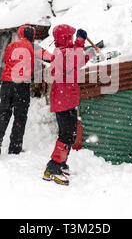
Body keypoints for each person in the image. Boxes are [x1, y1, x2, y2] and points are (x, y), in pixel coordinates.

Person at [42, 25, 90, 186]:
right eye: (70, 36)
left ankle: (60, 163)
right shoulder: (65, 53)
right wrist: (81, 41)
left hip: (64, 99)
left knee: (68, 132)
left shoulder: (61, 52)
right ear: (65, 38)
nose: (71, 38)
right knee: (67, 135)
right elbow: (80, 58)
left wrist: (79, 45)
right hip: (65, 99)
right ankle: (53, 166)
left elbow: (78, 60)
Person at [0, 25, 35, 155]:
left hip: (8, 84)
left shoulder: (11, 45)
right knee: (20, 116)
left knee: (4, 112)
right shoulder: (33, 47)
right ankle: (15, 147)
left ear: (20, 33)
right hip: (22, 85)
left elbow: (4, 62)